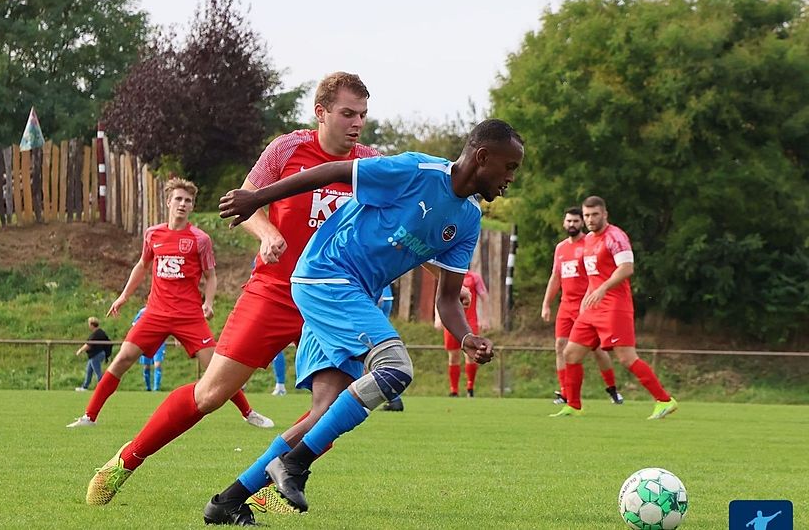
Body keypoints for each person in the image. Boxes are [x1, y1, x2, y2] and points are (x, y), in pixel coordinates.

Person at [84, 72, 381, 514]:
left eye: (362, 114)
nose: (357, 123)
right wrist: (265, 232)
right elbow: (245, 200)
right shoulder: (286, 149)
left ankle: (260, 487)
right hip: (275, 290)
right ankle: (128, 460)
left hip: (332, 300)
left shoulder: (371, 163)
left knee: (334, 408)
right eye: (347, 113)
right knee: (210, 395)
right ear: (321, 113)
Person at [208, 118, 524, 519]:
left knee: (322, 414)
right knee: (395, 368)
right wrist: (258, 199)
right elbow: (337, 171)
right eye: (510, 167)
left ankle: (229, 501)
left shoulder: (468, 219)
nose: (511, 178)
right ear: (482, 157)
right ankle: (293, 464)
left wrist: (466, 338)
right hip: (326, 275)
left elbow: (447, 299)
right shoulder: (417, 171)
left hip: (353, 294)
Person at [66, 178, 273, 430]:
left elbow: (211, 277)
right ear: (168, 202)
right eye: (178, 199)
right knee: (122, 359)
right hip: (155, 313)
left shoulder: (200, 239)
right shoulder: (153, 234)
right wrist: (123, 296)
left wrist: (208, 303)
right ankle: (89, 417)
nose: (183, 204)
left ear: (192, 207)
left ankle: (248, 413)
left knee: (217, 369)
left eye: (188, 201)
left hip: (189, 316)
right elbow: (142, 266)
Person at [550, 196, 677, 419]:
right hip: (592, 308)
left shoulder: (615, 237)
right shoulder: (588, 240)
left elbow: (627, 268)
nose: (590, 219)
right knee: (570, 353)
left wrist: (603, 289)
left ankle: (664, 400)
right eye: (587, 215)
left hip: (615, 306)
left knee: (627, 358)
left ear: (605, 214)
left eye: (594, 215)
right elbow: (592, 276)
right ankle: (574, 405)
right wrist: (588, 297)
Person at [541, 207, 623, 405]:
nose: (572, 224)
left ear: (582, 223)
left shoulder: (589, 243)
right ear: (564, 223)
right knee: (560, 346)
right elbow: (556, 277)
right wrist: (546, 304)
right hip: (565, 306)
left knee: (597, 350)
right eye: (568, 221)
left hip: (587, 305)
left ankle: (612, 389)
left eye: (576, 221)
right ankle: (565, 392)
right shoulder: (561, 248)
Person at [435, 270, 487, 398]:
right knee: (453, 356)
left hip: (470, 321)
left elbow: (484, 296)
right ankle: (454, 390)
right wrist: (438, 317)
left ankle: (470, 388)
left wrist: (485, 318)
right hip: (451, 321)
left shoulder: (474, 277)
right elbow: (439, 297)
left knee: (471, 355)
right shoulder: (448, 275)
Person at [132, 307, 166, 391]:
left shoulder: (162, 311)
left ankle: (156, 388)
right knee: (146, 366)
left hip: (159, 342)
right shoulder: (142, 312)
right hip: (146, 342)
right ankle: (148, 388)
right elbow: (134, 325)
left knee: (157, 364)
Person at [75, 317, 112, 392]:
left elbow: (89, 344)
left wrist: (80, 350)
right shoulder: (100, 332)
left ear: (92, 325)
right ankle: (85, 386)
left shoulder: (97, 333)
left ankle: (103, 387)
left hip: (96, 355)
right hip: (96, 355)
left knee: (97, 372)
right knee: (89, 371)